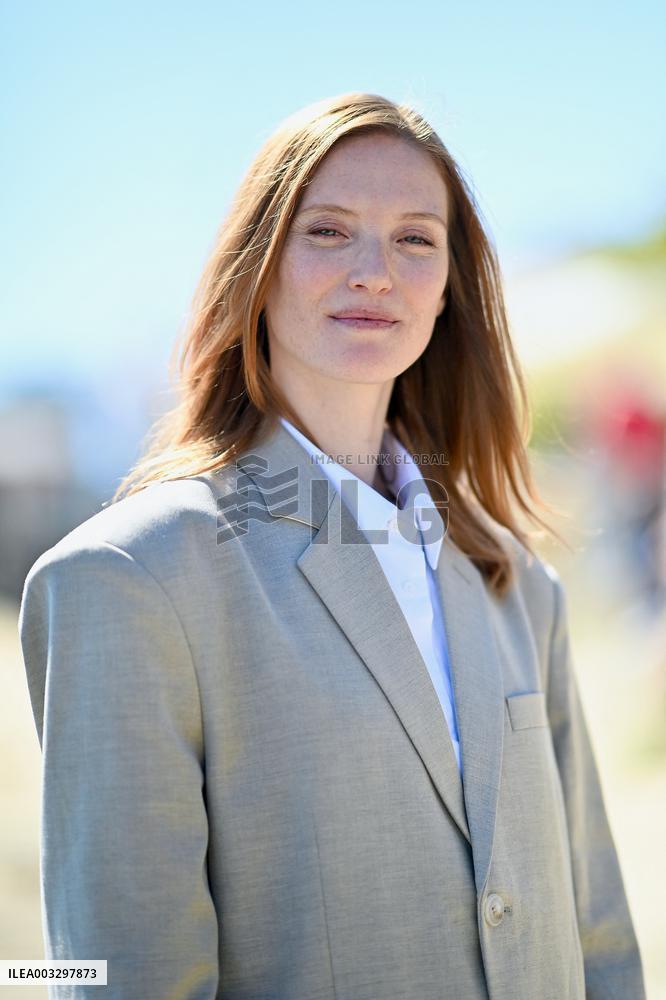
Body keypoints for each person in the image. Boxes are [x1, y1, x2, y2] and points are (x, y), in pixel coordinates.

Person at [18, 92, 645, 999]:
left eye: (416, 239)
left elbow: (600, 936)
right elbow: (123, 976)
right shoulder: (130, 580)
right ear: (258, 268)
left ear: (447, 290)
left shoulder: (519, 586)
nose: (376, 271)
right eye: (328, 232)